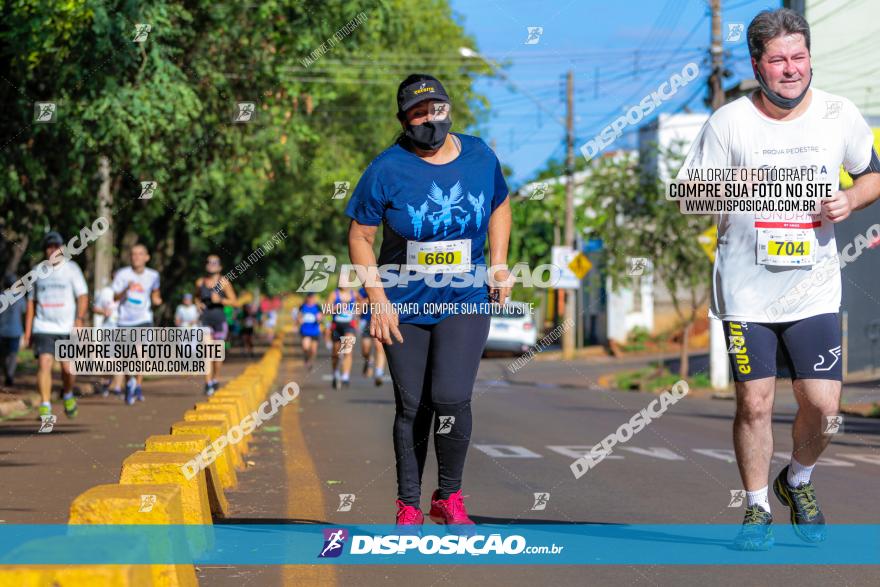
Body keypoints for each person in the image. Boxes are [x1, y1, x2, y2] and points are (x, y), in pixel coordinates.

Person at [678, 8, 880, 550]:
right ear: (757, 64)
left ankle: (797, 480)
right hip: (747, 292)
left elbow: (872, 175)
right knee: (756, 402)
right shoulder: (728, 122)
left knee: (825, 405)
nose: (790, 69)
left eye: (799, 57)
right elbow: (691, 195)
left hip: (813, 287)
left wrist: (851, 198)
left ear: (810, 57)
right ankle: (756, 507)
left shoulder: (840, 114)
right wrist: (762, 187)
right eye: (777, 60)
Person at [346, 74, 512, 526]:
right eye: (418, 113)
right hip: (404, 303)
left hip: (466, 296)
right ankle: (408, 503)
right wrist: (376, 297)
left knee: (452, 397)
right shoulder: (386, 169)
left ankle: (450, 497)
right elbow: (360, 236)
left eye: (435, 108)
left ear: (448, 108)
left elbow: (499, 203)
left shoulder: (479, 155)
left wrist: (498, 261)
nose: (429, 119)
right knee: (413, 404)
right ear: (403, 120)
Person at [24, 232, 89, 419]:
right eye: (49, 247)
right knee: (44, 364)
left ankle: (67, 394)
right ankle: (45, 405)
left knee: (67, 369)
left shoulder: (72, 269)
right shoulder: (38, 271)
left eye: (56, 246)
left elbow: (83, 296)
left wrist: (79, 319)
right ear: (45, 250)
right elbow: (31, 303)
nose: (53, 250)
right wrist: (28, 331)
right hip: (44, 327)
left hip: (67, 327)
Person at [112, 244, 162, 405]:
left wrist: (157, 300)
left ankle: (138, 384)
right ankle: (129, 382)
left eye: (140, 254)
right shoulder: (122, 274)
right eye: (133, 254)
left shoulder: (153, 275)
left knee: (140, 351)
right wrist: (125, 289)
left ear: (147, 257)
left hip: (143, 318)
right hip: (125, 320)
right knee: (127, 356)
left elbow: (155, 294)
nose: (136, 257)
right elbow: (115, 297)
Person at [195, 254, 237, 395]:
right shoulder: (200, 282)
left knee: (216, 355)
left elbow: (234, 301)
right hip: (205, 321)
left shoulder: (224, 282)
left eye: (215, 262)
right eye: (209, 262)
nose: (211, 264)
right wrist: (198, 304)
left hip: (219, 321)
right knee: (206, 353)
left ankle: (215, 379)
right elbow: (196, 297)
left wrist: (220, 300)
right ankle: (207, 383)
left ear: (220, 266)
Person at [93, 279, 121, 397]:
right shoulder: (106, 292)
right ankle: (106, 382)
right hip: (109, 330)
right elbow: (95, 308)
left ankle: (118, 388)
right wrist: (103, 311)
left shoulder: (131, 291)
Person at [324, 287, 358, 390]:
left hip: (350, 326)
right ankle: (335, 373)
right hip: (336, 326)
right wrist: (337, 307)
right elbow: (326, 310)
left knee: (348, 350)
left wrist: (358, 310)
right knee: (336, 353)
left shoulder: (354, 294)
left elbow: (363, 304)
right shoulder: (334, 294)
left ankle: (345, 376)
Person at [0, 273, 27, 387]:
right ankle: (10, 375)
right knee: (13, 354)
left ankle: (7, 374)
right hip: (15, 331)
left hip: (2, 331)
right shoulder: (20, 297)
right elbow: (24, 312)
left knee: (3, 355)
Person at [357, 286, 386, 386]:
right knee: (365, 349)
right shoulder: (362, 290)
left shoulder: (385, 287)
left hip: (380, 320)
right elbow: (358, 306)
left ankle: (379, 373)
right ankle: (369, 361)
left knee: (379, 347)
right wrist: (367, 301)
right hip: (366, 321)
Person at [297, 293, 322, 371]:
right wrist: (299, 320)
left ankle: (311, 362)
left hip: (314, 331)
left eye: (313, 298)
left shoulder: (317, 307)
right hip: (305, 331)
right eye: (310, 298)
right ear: (307, 298)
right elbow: (299, 316)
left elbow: (321, 317)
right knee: (305, 347)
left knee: (313, 350)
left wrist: (319, 318)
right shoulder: (302, 307)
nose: (311, 300)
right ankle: (306, 358)